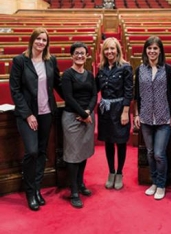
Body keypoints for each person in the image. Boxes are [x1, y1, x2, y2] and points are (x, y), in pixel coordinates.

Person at [9, 27, 63, 211]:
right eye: (38, 39)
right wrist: (27, 114)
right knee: (31, 151)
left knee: (41, 151)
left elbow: (57, 84)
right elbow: (15, 90)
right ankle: (30, 191)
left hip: (47, 112)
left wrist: (76, 103)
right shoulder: (20, 61)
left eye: (44, 40)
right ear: (32, 40)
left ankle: (37, 189)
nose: (41, 42)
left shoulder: (50, 60)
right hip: (28, 115)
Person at [134, 36, 171, 200]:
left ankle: (161, 184)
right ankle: (154, 182)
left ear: (160, 51)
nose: (152, 51)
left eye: (155, 48)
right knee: (150, 152)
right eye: (149, 48)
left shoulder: (166, 69)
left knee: (159, 154)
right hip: (145, 117)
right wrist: (136, 114)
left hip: (163, 117)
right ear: (146, 50)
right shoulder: (140, 70)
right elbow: (136, 95)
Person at [61, 42, 97, 208]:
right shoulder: (67, 74)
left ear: (87, 55)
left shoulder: (89, 75)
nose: (80, 56)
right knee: (73, 155)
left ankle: (81, 184)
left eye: (83, 53)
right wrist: (83, 115)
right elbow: (68, 97)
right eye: (77, 53)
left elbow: (94, 96)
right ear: (71, 56)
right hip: (72, 118)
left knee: (83, 153)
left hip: (87, 118)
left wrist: (88, 112)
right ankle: (74, 190)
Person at [96, 37, 133, 190]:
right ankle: (111, 172)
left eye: (112, 48)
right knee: (108, 142)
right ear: (103, 51)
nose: (109, 51)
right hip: (105, 109)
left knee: (121, 141)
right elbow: (95, 88)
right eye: (107, 49)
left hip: (119, 109)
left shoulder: (125, 67)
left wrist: (125, 112)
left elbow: (129, 91)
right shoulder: (101, 68)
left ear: (118, 50)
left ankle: (119, 173)